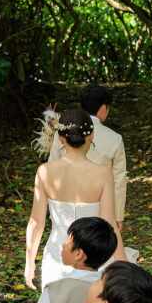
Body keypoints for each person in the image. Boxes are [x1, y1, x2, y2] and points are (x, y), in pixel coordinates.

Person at [25, 108, 123, 290]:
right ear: (92, 136)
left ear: (60, 138)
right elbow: (110, 224)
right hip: (95, 258)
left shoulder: (45, 172)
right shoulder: (103, 174)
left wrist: (29, 262)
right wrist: (123, 263)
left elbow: (36, 222)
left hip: (58, 256)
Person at [49, 85, 127, 229]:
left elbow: (51, 171)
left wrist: (54, 209)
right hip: (100, 211)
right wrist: (117, 216)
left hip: (64, 209)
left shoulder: (62, 132)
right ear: (103, 108)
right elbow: (119, 180)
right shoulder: (115, 139)